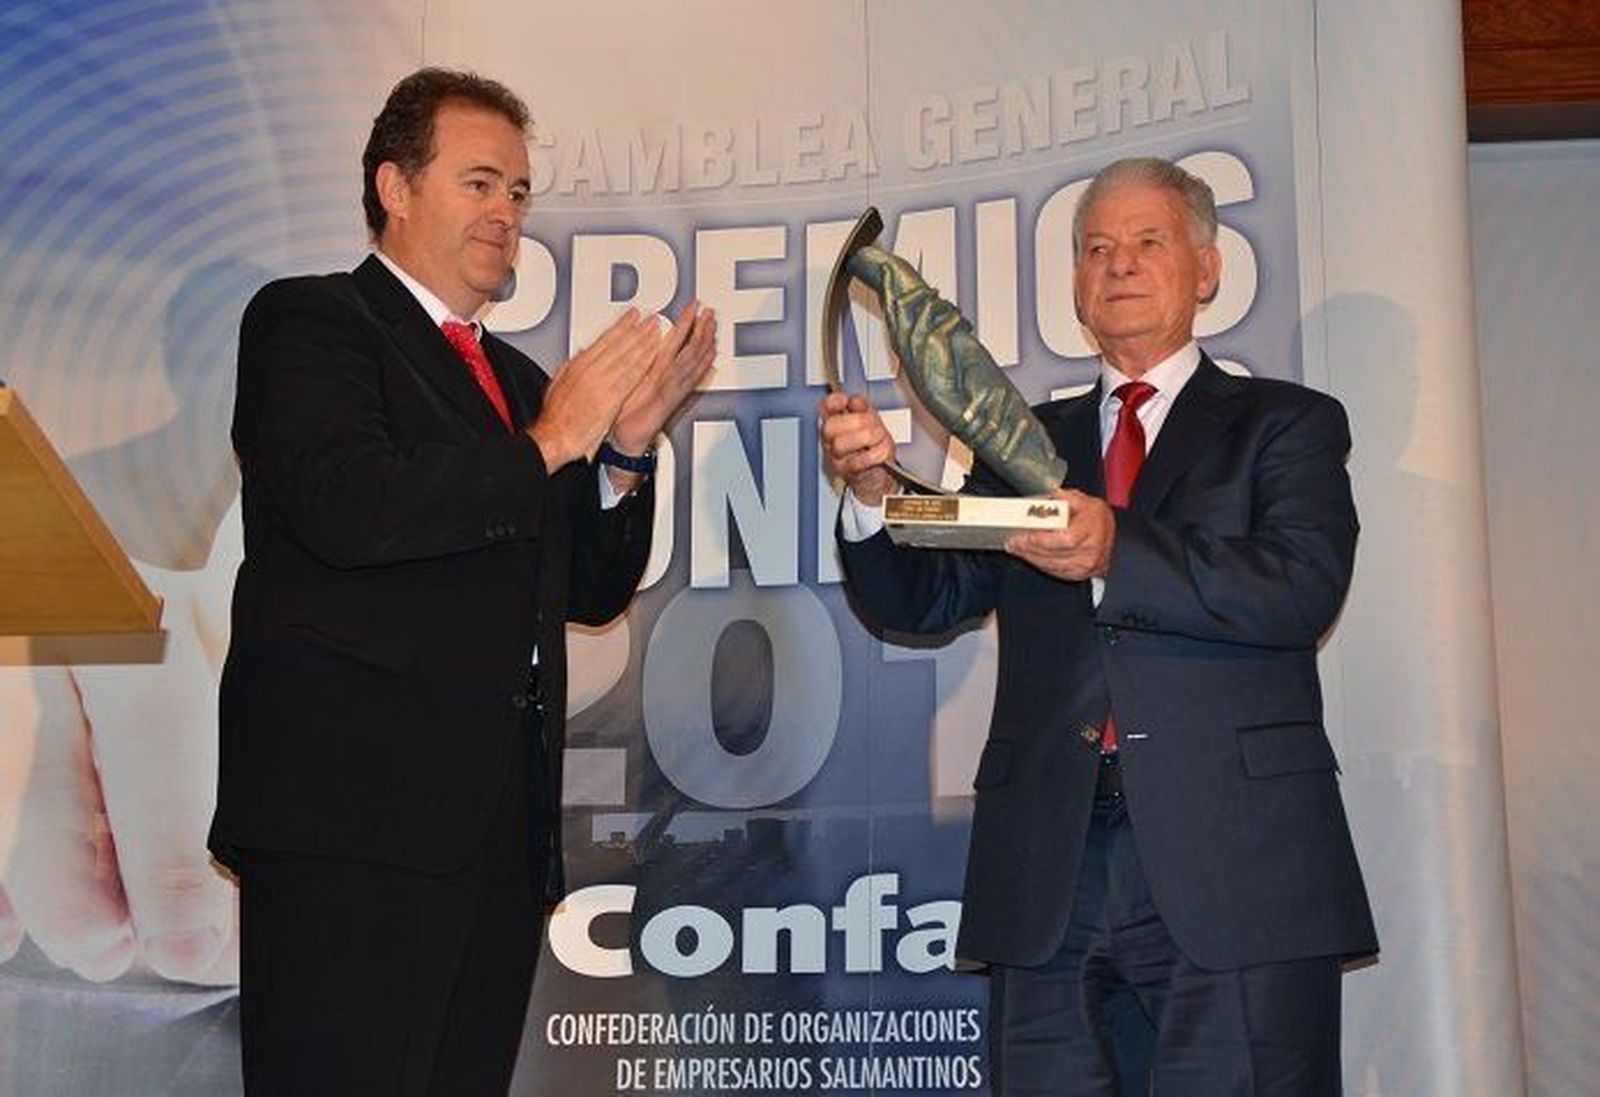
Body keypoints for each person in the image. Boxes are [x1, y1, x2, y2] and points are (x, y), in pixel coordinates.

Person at [207, 67, 715, 1093]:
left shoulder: (522, 384)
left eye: (519, 192)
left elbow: (587, 589)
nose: (506, 213)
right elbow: (349, 507)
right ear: (394, 187)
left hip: (493, 831)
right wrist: (550, 444)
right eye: (479, 183)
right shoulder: (311, 322)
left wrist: (622, 450)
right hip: (349, 821)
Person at [820, 156, 1375, 1094]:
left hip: (1236, 867)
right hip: (1051, 869)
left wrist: (1120, 548)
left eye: (1148, 241)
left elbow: (1299, 588)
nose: (1119, 263)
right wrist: (873, 492)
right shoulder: (1022, 439)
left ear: (1207, 268)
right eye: (1096, 248)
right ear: (1077, 285)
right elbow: (925, 599)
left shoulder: (1286, 425)